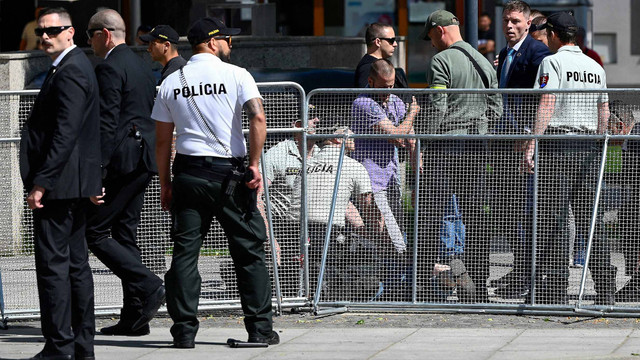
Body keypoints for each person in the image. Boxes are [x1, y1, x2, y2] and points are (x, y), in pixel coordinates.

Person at [152, 17, 278, 348]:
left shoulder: (170, 82)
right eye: (226, 38)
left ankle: (183, 332)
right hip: (229, 176)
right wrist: (254, 164)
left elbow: (163, 141)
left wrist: (165, 181)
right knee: (249, 250)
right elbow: (258, 118)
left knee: (184, 253)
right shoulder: (236, 75)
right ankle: (260, 329)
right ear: (211, 42)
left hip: (188, 174)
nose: (230, 43)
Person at [19, 7, 101, 360]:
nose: (45, 37)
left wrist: (41, 182)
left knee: (55, 267)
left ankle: (60, 345)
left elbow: (65, 134)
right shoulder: (70, 68)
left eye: (53, 30)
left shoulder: (71, 70)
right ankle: (79, 345)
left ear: (71, 32)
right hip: (72, 183)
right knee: (75, 265)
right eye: (42, 31)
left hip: (60, 186)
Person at [523, 11, 613, 305]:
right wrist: (599, 145)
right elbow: (604, 111)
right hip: (588, 146)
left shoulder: (553, 62)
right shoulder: (594, 66)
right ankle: (606, 288)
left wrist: (531, 143)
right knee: (592, 220)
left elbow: (547, 103)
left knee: (558, 219)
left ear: (553, 34)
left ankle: (557, 286)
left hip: (558, 145)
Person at [85, 9, 165, 337]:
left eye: (89, 33)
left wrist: (97, 172)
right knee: (124, 233)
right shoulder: (141, 65)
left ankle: (148, 285)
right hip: (143, 160)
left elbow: (106, 123)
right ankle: (135, 316)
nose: (86, 41)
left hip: (123, 161)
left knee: (96, 232)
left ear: (104, 34)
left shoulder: (109, 66)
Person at [419, 9, 502, 302]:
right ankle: (478, 287)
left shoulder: (441, 60)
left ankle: (423, 288)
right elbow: (496, 107)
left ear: (440, 30)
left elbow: (437, 106)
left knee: (430, 213)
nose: (430, 43)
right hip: (477, 146)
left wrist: (423, 142)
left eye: (430, 36)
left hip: (446, 144)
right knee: (476, 216)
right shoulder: (483, 60)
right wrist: (481, 126)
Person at [491, 0, 551, 300]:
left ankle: (532, 274)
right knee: (507, 209)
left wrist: (529, 134)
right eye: (506, 21)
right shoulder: (504, 54)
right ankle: (521, 267)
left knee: (526, 211)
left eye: (515, 21)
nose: (510, 26)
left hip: (525, 143)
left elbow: (543, 98)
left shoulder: (538, 54)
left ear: (528, 23)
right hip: (506, 142)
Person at [294, 127, 383, 299]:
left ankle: (313, 293)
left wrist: (363, 229)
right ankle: (325, 296)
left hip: (293, 228)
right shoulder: (351, 165)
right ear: (337, 139)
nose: (354, 135)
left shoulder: (308, 163)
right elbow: (369, 206)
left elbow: (346, 205)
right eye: (349, 132)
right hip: (325, 230)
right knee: (370, 282)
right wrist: (380, 237)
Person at [351, 58, 420, 255]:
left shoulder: (394, 101)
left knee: (398, 235)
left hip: (392, 179)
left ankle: (393, 282)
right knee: (392, 241)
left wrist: (416, 160)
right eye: (383, 86)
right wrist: (412, 113)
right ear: (371, 82)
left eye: (391, 86)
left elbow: (411, 137)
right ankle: (395, 278)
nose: (388, 92)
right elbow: (397, 137)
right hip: (372, 184)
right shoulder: (364, 103)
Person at [354, 22, 408, 88]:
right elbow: (364, 97)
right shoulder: (368, 69)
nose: (395, 44)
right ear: (378, 42)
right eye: (392, 40)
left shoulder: (373, 66)